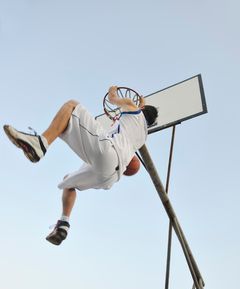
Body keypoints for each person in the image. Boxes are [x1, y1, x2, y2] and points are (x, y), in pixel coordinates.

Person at [3, 86, 158, 246]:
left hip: (108, 152)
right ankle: (63, 224)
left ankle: (40, 144)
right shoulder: (142, 137)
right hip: (110, 177)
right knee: (68, 182)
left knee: (72, 105)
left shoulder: (134, 109)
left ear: (142, 109)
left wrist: (113, 90)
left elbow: (113, 98)